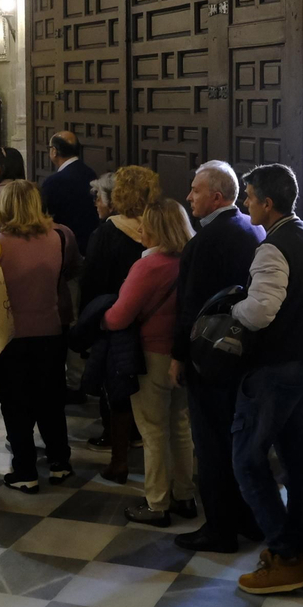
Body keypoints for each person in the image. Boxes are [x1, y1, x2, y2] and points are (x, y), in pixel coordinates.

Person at [229, 164, 303, 595]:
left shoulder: (273, 247)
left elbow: (260, 311)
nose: (244, 202)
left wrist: (233, 308)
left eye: (248, 196)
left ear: (267, 203)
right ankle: (296, 548)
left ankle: (285, 552)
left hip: (276, 370)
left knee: (248, 460)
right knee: (295, 460)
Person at [171, 160, 264, 553]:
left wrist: (178, 357)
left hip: (208, 359)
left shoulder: (204, 241)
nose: (189, 197)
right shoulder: (251, 230)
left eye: (194, 190)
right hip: (242, 356)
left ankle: (219, 530)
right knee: (237, 442)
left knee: (209, 445)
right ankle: (245, 517)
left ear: (216, 196)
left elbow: (189, 308)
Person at [106, 197, 196, 526]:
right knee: (181, 427)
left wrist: (102, 315)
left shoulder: (147, 266)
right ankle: (185, 496)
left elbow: (119, 317)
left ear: (156, 228)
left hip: (152, 355)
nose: (140, 228)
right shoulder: (190, 261)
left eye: (145, 223)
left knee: (153, 431)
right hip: (183, 355)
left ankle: (157, 503)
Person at [0, 180, 78, 493]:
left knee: (16, 404)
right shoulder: (58, 237)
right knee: (51, 399)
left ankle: (25, 469)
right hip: (51, 329)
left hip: (12, 334)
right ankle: (59, 461)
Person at [78, 165, 159, 481]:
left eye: (100, 197)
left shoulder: (106, 234)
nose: (97, 203)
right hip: (151, 321)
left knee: (118, 390)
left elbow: (92, 284)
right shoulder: (156, 227)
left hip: (115, 320)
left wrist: (88, 323)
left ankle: (119, 460)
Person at [41, 131, 100, 254]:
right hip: (92, 243)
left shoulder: (53, 182)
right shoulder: (91, 173)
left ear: (54, 151)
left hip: (65, 246)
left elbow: (45, 216)